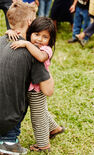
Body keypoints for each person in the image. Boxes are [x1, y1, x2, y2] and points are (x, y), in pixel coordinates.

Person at [0, 1, 54, 154]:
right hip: (7, 119)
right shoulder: (31, 52)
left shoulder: (1, 40)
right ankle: (8, 143)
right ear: (30, 22)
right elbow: (48, 90)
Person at [7, 17, 65, 152]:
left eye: (45, 37)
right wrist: (10, 32)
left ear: (50, 40)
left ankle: (43, 145)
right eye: (36, 34)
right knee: (41, 111)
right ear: (31, 33)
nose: (39, 39)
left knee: (37, 117)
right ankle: (55, 128)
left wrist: (27, 44)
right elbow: (18, 35)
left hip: (37, 89)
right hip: (27, 87)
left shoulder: (46, 49)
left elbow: (40, 57)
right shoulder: (30, 41)